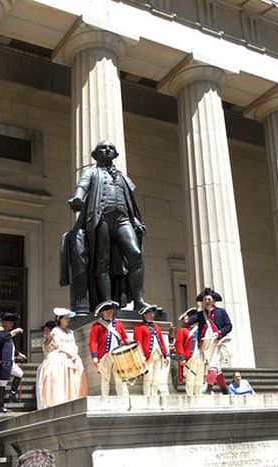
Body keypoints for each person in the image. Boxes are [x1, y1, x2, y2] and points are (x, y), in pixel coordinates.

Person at [61, 140, 157, 314]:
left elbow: (130, 202)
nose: (107, 150)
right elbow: (82, 186)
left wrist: (135, 220)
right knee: (102, 260)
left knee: (135, 254)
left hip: (122, 219)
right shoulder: (91, 172)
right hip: (100, 218)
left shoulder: (122, 177)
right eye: (103, 148)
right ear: (96, 154)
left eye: (110, 148)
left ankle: (139, 301)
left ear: (115, 154)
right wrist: (77, 198)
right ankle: (106, 301)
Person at [40, 308, 88, 407]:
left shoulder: (70, 331)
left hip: (72, 356)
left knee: (75, 379)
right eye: (65, 318)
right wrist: (68, 353)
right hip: (60, 356)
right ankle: (59, 401)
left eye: (67, 318)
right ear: (60, 319)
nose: (67, 320)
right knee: (59, 379)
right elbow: (58, 344)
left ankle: (74, 398)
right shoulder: (55, 331)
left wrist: (74, 354)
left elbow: (74, 344)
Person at [194, 287, 232, 395]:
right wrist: (187, 319)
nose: (207, 302)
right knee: (217, 370)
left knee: (213, 366)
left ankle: (208, 390)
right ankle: (225, 391)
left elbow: (229, 326)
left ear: (213, 301)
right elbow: (192, 319)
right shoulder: (201, 314)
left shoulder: (221, 312)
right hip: (205, 345)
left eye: (209, 299)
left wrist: (219, 333)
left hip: (217, 343)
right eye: (205, 300)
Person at [89, 300, 130, 396]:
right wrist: (94, 356)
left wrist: (127, 341)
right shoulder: (97, 326)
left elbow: (124, 337)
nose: (110, 313)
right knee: (105, 378)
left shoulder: (118, 324)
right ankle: (105, 398)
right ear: (103, 312)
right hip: (104, 355)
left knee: (119, 377)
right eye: (108, 311)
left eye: (111, 311)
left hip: (118, 354)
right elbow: (93, 342)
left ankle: (121, 398)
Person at [0, 312, 25, 413]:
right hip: (2, 361)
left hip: (10, 361)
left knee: (20, 374)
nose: (12, 324)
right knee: (2, 383)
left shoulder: (5, 332)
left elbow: (10, 346)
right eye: (10, 322)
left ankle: (12, 394)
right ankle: (0, 406)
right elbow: (2, 338)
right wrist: (14, 331)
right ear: (4, 322)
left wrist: (19, 354)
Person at [133, 306, 169, 396]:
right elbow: (138, 343)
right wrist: (141, 356)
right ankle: (147, 397)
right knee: (148, 377)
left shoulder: (156, 327)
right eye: (149, 313)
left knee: (156, 378)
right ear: (144, 315)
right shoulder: (139, 327)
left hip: (158, 355)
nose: (152, 315)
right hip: (147, 356)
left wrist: (166, 355)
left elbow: (161, 341)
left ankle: (154, 396)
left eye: (152, 313)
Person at [175, 307, 201, 396]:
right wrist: (182, 357)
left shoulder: (201, 330)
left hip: (200, 357)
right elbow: (179, 345)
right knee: (190, 379)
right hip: (190, 358)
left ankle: (198, 397)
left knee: (199, 380)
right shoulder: (182, 331)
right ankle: (190, 397)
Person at [35, 320, 56, 410]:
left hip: (54, 364)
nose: (44, 331)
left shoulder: (56, 341)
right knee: (41, 386)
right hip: (45, 365)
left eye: (46, 330)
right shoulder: (45, 341)